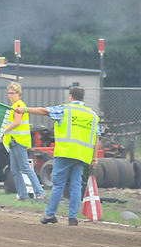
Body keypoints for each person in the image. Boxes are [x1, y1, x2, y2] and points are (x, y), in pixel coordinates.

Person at [14, 86, 100, 226]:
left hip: (65, 152)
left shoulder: (66, 109)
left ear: (71, 97)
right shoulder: (93, 115)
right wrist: (94, 157)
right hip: (82, 155)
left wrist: (25, 109)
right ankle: (72, 217)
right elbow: (97, 137)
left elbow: (44, 111)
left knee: (58, 184)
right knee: (76, 185)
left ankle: (50, 214)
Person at [3, 82, 46, 201]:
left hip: (19, 141)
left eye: (13, 93)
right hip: (14, 141)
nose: (10, 95)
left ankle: (39, 192)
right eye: (9, 93)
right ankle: (23, 195)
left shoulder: (19, 106)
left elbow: (16, 122)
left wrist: (4, 130)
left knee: (24, 168)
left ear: (19, 93)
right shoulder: (15, 105)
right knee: (15, 170)